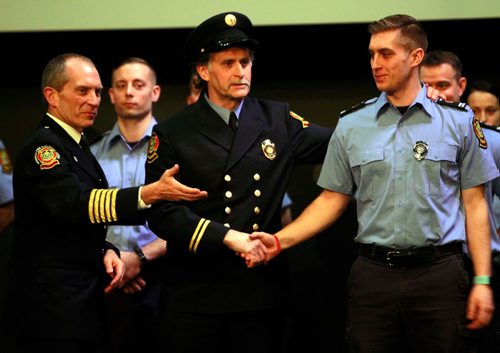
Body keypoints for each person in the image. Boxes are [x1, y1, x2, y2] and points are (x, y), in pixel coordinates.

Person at [250, 14, 498, 353]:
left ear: (415, 58)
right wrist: (278, 241)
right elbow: (330, 200)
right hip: (374, 275)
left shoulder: (458, 122)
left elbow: (476, 204)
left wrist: (483, 280)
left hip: (439, 274)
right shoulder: (352, 124)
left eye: (386, 54)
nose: (375, 64)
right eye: (371, 54)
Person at [144, 11, 333, 353]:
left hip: (259, 291)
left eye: (245, 61)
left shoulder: (277, 119)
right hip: (196, 293)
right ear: (203, 71)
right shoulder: (173, 132)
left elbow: (342, 143)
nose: (240, 71)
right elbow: (160, 213)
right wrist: (226, 237)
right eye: (228, 62)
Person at [5, 53, 210, 353]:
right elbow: (76, 204)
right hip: (54, 309)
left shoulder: (77, 145)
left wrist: (107, 250)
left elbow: (69, 226)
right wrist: (146, 194)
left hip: (119, 294)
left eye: (98, 92)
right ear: (51, 95)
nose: (93, 100)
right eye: (82, 91)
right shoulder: (44, 148)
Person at [422, 50, 500, 353]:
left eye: (442, 85)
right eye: (426, 86)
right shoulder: (403, 140)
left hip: (477, 264)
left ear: (460, 85)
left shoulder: (489, 140)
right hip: (430, 267)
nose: (435, 95)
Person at [90, 57, 164, 353]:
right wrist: (117, 263)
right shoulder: (91, 154)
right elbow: (79, 217)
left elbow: (190, 219)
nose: (129, 92)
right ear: (111, 95)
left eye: (138, 85)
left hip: (162, 279)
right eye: (121, 86)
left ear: (155, 92)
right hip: (104, 278)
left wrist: (139, 259)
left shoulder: (177, 150)